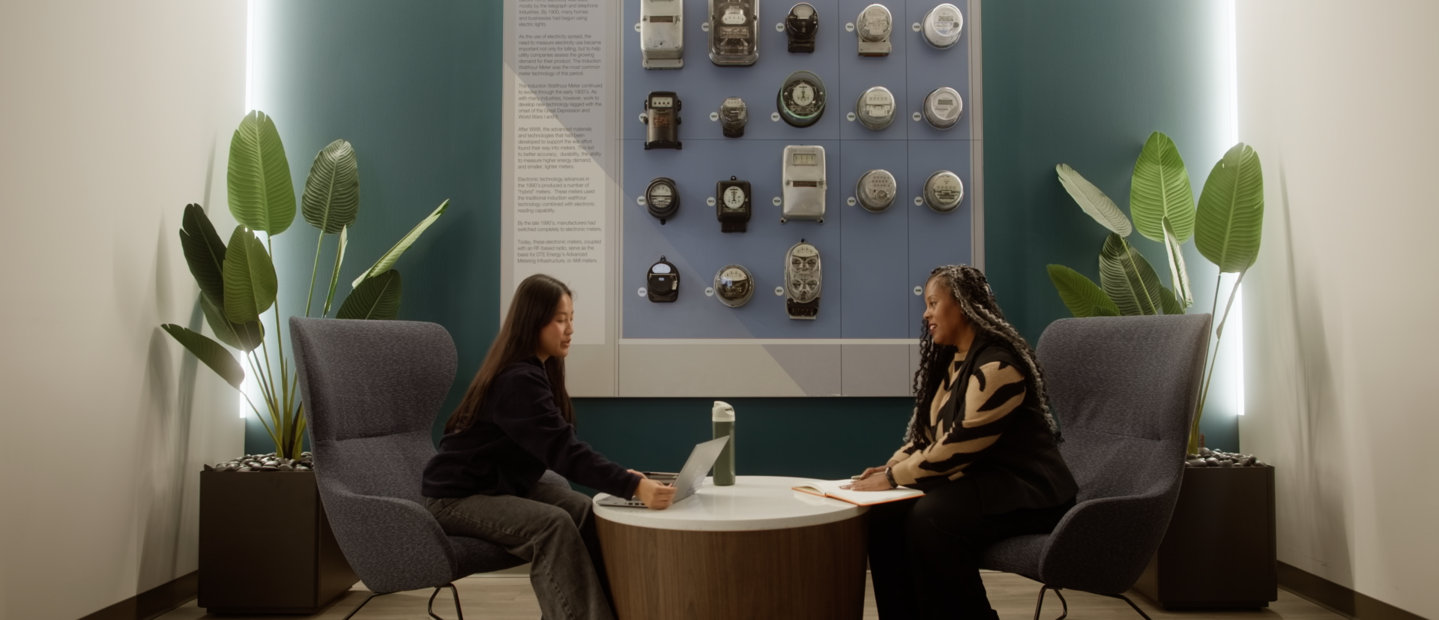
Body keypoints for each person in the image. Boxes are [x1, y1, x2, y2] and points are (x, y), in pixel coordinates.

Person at [421, 274, 675, 620]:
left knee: (584, 510)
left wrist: (625, 481)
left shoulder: (538, 371)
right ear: (532, 321)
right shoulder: (517, 380)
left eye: (571, 319)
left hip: (499, 484)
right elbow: (564, 452)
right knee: (552, 526)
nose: (569, 329)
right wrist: (632, 486)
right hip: (455, 498)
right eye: (559, 320)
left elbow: (560, 444)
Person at [844, 264, 1079, 620]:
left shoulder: (999, 367)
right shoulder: (954, 362)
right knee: (885, 514)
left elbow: (960, 444)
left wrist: (893, 479)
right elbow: (926, 436)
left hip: (1030, 492)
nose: (926, 314)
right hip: (986, 484)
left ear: (963, 305)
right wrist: (890, 468)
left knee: (932, 518)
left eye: (933, 303)